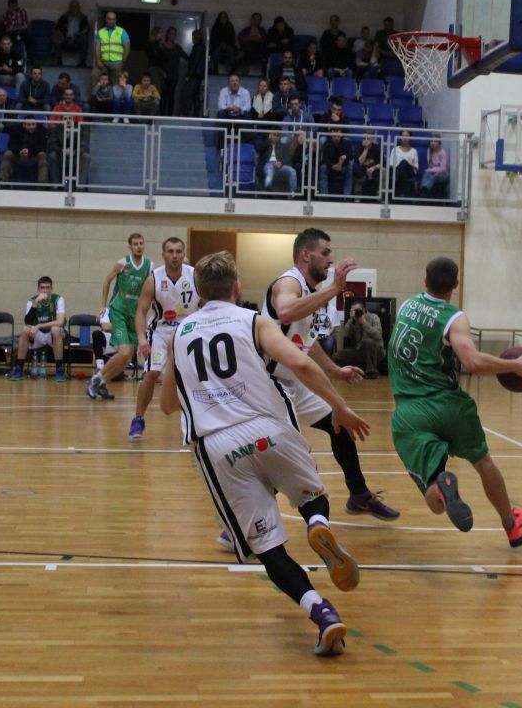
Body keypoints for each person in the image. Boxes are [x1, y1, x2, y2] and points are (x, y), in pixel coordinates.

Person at [160, 251, 368, 656]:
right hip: (270, 428)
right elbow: (300, 364)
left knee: (268, 548)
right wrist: (339, 407)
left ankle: (323, 613)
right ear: (237, 287)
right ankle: (317, 523)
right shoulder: (253, 320)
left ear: (197, 292)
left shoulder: (179, 333)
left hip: (218, 445)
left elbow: (168, 405)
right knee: (311, 496)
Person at [387, 256, 522, 546]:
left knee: (432, 492)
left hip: (410, 411)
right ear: (456, 284)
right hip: (451, 406)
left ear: (425, 280)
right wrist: (514, 366)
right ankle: (512, 525)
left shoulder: (406, 306)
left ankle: (442, 488)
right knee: (483, 462)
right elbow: (472, 362)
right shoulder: (454, 317)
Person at [262, 228, 400, 520]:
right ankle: (246, 519)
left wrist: (335, 370)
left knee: (340, 423)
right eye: (324, 253)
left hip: (292, 381)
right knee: (286, 453)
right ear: (305, 255)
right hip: (269, 384)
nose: (330, 259)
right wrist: (335, 289)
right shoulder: (289, 282)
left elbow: (306, 342)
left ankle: (359, 495)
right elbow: (285, 312)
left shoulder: (310, 293)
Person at [129, 237, 196, 439]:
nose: (174, 256)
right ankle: (138, 418)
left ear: (183, 254)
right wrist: (142, 339)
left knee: (194, 375)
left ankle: (195, 421)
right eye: (170, 251)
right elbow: (141, 311)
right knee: (151, 373)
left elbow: (206, 302)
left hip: (187, 330)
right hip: (160, 331)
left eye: (178, 251)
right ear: (163, 255)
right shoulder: (153, 279)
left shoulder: (195, 276)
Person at [87, 233, 151, 400]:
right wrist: (103, 305)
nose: (139, 246)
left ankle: (101, 382)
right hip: (118, 311)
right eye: (135, 244)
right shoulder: (122, 263)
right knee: (124, 352)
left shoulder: (149, 266)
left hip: (134, 315)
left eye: (141, 243)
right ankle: (95, 379)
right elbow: (107, 281)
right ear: (129, 246)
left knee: (127, 357)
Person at [10, 276, 68, 382]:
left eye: (48, 287)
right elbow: (27, 322)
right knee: (25, 329)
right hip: (37, 336)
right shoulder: (32, 301)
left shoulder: (58, 299)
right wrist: (36, 303)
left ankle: (59, 370)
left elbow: (60, 322)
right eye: (42, 288)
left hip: (52, 336)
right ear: (38, 289)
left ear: (52, 289)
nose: (45, 290)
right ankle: (19, 368)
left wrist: (38, 326)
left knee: (55, 329)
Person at [333, 300, 385, 378]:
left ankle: (372, 372)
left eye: (357, 310)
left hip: (376, 351)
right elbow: (346, 334)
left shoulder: (374, 317)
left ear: (363, 310)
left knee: (368, 342)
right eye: (353, 310)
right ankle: (361, 367)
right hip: (360, 350)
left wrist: (364, 323)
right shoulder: (354, 320)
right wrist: (351, 320)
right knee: (337, 356)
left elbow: (378, 335)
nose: (356, 312)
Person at [94, 11, 130, 86]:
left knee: (117, 83)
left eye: (114, 19)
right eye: (110, 19)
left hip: (117, 63)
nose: (112, 21)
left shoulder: (122, 31)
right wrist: (98, 60)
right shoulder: (100, 32)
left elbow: (127, 47)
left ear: (116, 20)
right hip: (103, 62)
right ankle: (96, 93)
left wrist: (123, 61)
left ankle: (113, 94)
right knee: (95, 75)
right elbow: (97, 47)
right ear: (106, 20)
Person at [390, 131, 419, 198]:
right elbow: (391, 165)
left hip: (409, 172)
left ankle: (396, 182)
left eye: (407, 136)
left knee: (404, 162)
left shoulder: (414, 151)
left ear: (410, 138)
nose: (405, 138)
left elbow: (416, 167)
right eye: (403, 136)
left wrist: (407, 164)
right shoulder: (395, 149)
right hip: (396, 171)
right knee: (401, 167)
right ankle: (402, 193)